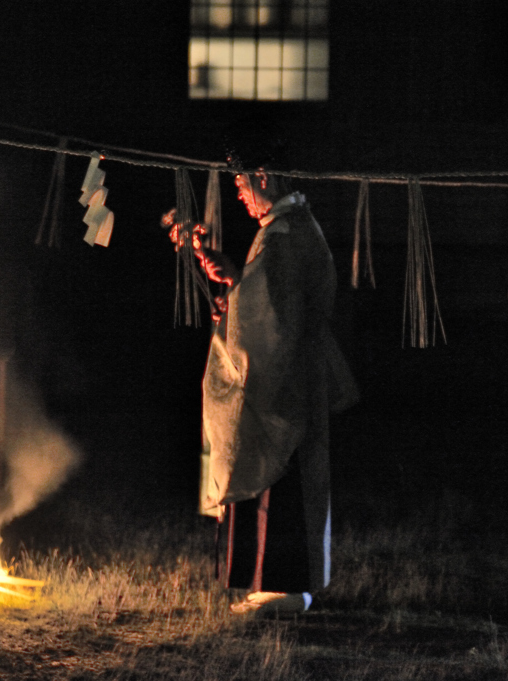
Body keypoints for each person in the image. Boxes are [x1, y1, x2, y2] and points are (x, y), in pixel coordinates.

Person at [189, 132, 357, 615]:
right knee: (288, 479)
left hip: (280, 380)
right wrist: (237, 282)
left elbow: (271, 321)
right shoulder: (294, 228)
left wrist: (236, 301)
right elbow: (270, 303)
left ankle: (281, 586)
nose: (239, 193)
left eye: (241, 183)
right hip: (293, 373)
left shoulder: (284, 235)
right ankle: (283, 584)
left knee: (276, 475)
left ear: (263, 176)